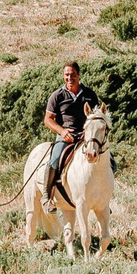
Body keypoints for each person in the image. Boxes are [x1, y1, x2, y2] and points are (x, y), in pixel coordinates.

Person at [43, 61, 91, 205]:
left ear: (78, 75)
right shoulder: (57, 96)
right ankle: (47, 196)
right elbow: (48, 119)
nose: (70, 78)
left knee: (110, 162)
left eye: (73, 75)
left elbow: (95, 115)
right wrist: (62, 131)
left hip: (86, 137)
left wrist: (88, 132)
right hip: (66, 136)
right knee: (54, 161)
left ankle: (103, 199)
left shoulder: (89, 94)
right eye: (67, 75)